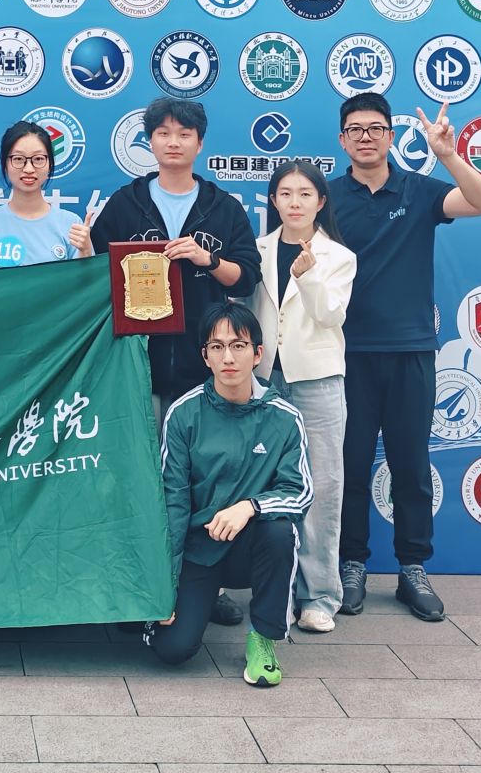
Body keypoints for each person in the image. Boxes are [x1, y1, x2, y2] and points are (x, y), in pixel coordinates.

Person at [330, 92, 481, 624]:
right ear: (342, 139)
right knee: (350, 466)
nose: (365, 137)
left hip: (410, 350)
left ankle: (412, 568)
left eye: (375, 128)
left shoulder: (419, 190)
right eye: (355, 129)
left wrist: (448, 155)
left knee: (411, 465)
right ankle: (350, 565)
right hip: (346, 354)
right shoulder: (325, 197)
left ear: (389, 135)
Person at [90, 97, 261, 627]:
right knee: (136, 477)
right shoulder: (126, 204)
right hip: (134, 367)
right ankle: (138, 580)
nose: (173, 141)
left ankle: (205, 585)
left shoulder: (222, 207)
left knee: (202, 479)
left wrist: (208, 259)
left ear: (199, 143)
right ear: (149, 142)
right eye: (162, 133)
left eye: (183, 133)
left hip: (200, 369)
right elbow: (95, 276)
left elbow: (247, 276)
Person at [147, 299, 311, 687]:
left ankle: (264, 639)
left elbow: (300, 492)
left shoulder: (284, 417)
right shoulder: (183, 414)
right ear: (205, 356)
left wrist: (251, 506)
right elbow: (172, 502)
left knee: (280, 531)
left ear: (257, 353)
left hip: (250, 547)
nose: (228, 357)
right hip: (199, 550)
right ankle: (191, 606)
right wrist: (162, 587)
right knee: (173, 650)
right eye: (217, 347)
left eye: (238, 345)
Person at [251, 158, 357, 635]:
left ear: (321, 201)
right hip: (263, 379)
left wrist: (309, 274)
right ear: (273, 201)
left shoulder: (338, 256)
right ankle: (273, 592)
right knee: (262, 482)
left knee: (323, 486)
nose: (295, 203)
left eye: (305, 194)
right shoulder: (257, 249)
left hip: (317, 380)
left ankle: (319, 596)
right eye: (286, 194)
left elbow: (331, 316)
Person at [0, 120, 94, 267]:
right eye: (18, 159)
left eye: (38, 159)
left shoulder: (71, 224)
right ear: (5, 164)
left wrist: (86, 252)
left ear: (50, 164)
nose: (29, 169)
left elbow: (85, 280)